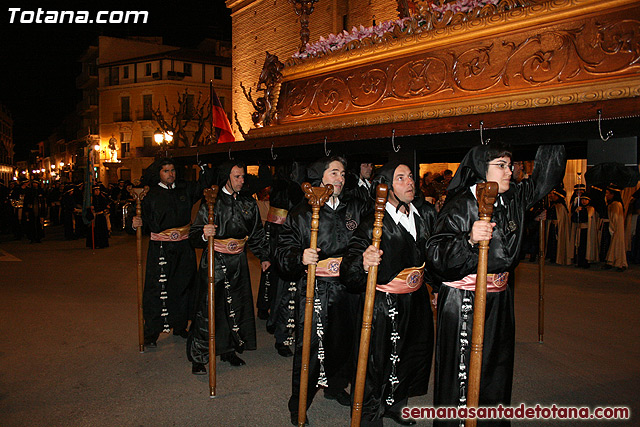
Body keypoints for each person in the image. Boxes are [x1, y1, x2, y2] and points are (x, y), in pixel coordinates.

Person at [426, 143, 566, 426]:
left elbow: (544, 179)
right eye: (500, 165)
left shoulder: (512, 197)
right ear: (481, 170)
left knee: (495, 366)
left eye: (509, 165)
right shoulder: (461, 204)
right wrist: (467, 240)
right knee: (462, 372)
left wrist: (553, 131)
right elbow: (435, 256)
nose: (509, 171)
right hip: (464, 299)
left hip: (500, 297)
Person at [275, 156, 370, 425]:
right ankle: (299, 401)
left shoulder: (354, 207)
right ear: (320, 178)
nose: (340, 178)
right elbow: (282, 251)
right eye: (334, 173)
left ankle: (336, 386)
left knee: (344, 344)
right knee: (311, 347)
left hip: (349, 289)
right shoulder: (302, 213)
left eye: (342, 174)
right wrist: (299, 257)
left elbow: (368, 233)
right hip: (318, 290)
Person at [341, 162, 436, 426]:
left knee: (409, 355)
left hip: (416, 299)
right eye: (400, 178)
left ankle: (396, 405)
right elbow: (349, 265)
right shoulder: (374, 221)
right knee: (376, 362)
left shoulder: (424, 214)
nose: (410, 183)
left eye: (410, 177)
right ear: (386, 187)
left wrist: (437, 287)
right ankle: (370, 416)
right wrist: (363, 260)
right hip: (384, 303)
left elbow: (433, 255)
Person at [187, 161, 271, 372]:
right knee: (209, 309)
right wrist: (204, 233)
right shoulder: (211, 203)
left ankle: (228, 350)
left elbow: (256, 233)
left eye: (243, 177)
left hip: (238, 262)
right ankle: (200, 355)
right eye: (237, 177)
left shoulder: (248, 203)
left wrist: (263, 256)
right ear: (227, 177)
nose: (242, 181)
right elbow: (194, 235)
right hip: (214, 261)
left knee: (235, 306)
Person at [132, 158, 213, 348]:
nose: (171, 174)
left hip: (184, 247)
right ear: (158, 173)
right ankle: (151, 333)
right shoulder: (149, 195)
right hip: (161, 249)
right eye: (166, 171)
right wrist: (135, 223)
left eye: (173, 170)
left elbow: (204, 185)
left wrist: (203, 167)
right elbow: (138, 220)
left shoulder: (184, 189)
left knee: (184, 286)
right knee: (157, 290)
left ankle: (180, 325)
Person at [258, 163, 305, 358]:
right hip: (286, 246)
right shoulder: (284, 188)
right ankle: (282, 336)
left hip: (303, 246)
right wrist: (268, 253)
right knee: (285, 295)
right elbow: (273, 223)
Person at [602, 185, 627, 272]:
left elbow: (615, 218)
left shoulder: (616, 204)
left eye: (608, 194)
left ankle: (619, 262)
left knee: (616, 244)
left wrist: (612, 228)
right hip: (611, 227)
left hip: (614, 228)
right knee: (611, 245)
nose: (606, 195)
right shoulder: (611, 204)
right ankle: (611, 261)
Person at [545, 187, 571, 265]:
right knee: (552, 242)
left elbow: (562, 219)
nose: (552, 196)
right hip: (552, 226)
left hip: (558, 227)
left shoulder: (561, 207)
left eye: (554, 195)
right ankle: (552, 256)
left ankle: (558, 257)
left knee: (557, 241)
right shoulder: (554, 205)